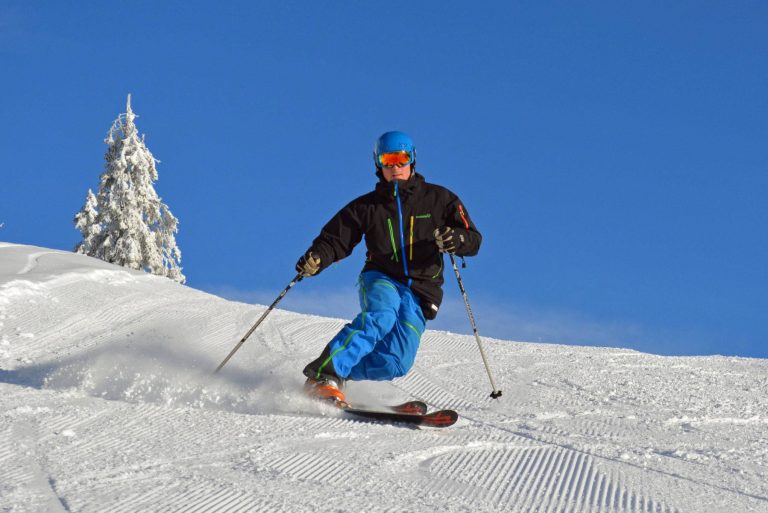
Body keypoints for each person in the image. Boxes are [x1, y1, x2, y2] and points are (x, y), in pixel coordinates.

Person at [295, 131, 482, 404]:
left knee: (396, 362)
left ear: (412, 160)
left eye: (401, 159)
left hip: (421, 291)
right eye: (388, 161)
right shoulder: (367, 207)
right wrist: (318, 258)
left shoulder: (440, 199)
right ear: (378, 164)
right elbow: (336, 238)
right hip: (381, 277)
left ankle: (339, 374)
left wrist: (457, 239)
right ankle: (324, 374)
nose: (395, 168)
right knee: (381, 317)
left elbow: (473, 239)